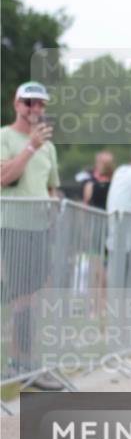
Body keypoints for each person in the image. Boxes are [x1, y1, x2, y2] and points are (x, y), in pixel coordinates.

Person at [0, 81, 62, 390]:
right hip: (13, 227)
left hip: (40, 230)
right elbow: (3, 177)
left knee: (35, 299)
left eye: (40, 104)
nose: (35, 109)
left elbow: (52, 187)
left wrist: (54, 207)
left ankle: (25, 364)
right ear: (16, 104)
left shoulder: (49, 146)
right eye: (29, 102)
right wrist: (30, 147)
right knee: (22, 299)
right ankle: (22, 365)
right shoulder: (5, 137)